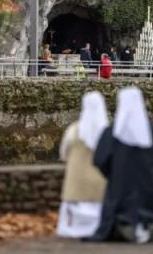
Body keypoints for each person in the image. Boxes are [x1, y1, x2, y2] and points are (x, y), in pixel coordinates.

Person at [89, 87, 153, 243]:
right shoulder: (150, 131)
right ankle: (146, 223)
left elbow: (99, 159)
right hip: (148, 187)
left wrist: (111, 174)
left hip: (120, 187)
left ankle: (124, 224)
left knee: (118, 207)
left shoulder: (113, 131)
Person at [57, 92, 109, 238]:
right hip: (100, 184)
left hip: (77, 184)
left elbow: (63, 153)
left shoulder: (74, 130)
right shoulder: (107, 132)